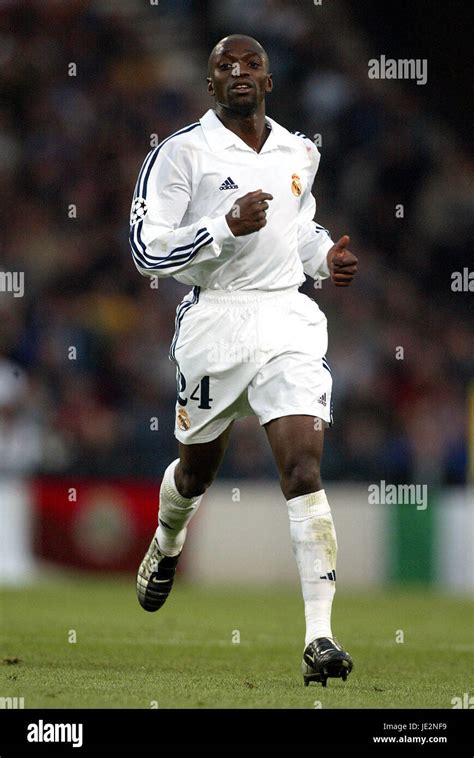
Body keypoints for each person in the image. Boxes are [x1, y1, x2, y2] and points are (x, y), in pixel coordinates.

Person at [130, 35, 358, 687]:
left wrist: (323, 260)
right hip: (215, 319)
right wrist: (223, 227)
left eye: (250, 64)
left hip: (287, 315)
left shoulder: (298, 151)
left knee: (303, 464)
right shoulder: (179, 154)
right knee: (197, 471)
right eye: (224, 66)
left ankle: (320, 637)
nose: (238, 72)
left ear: (269, 80)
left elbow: (301, 230)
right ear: (209, 85)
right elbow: (147, 251)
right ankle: (168, 540)